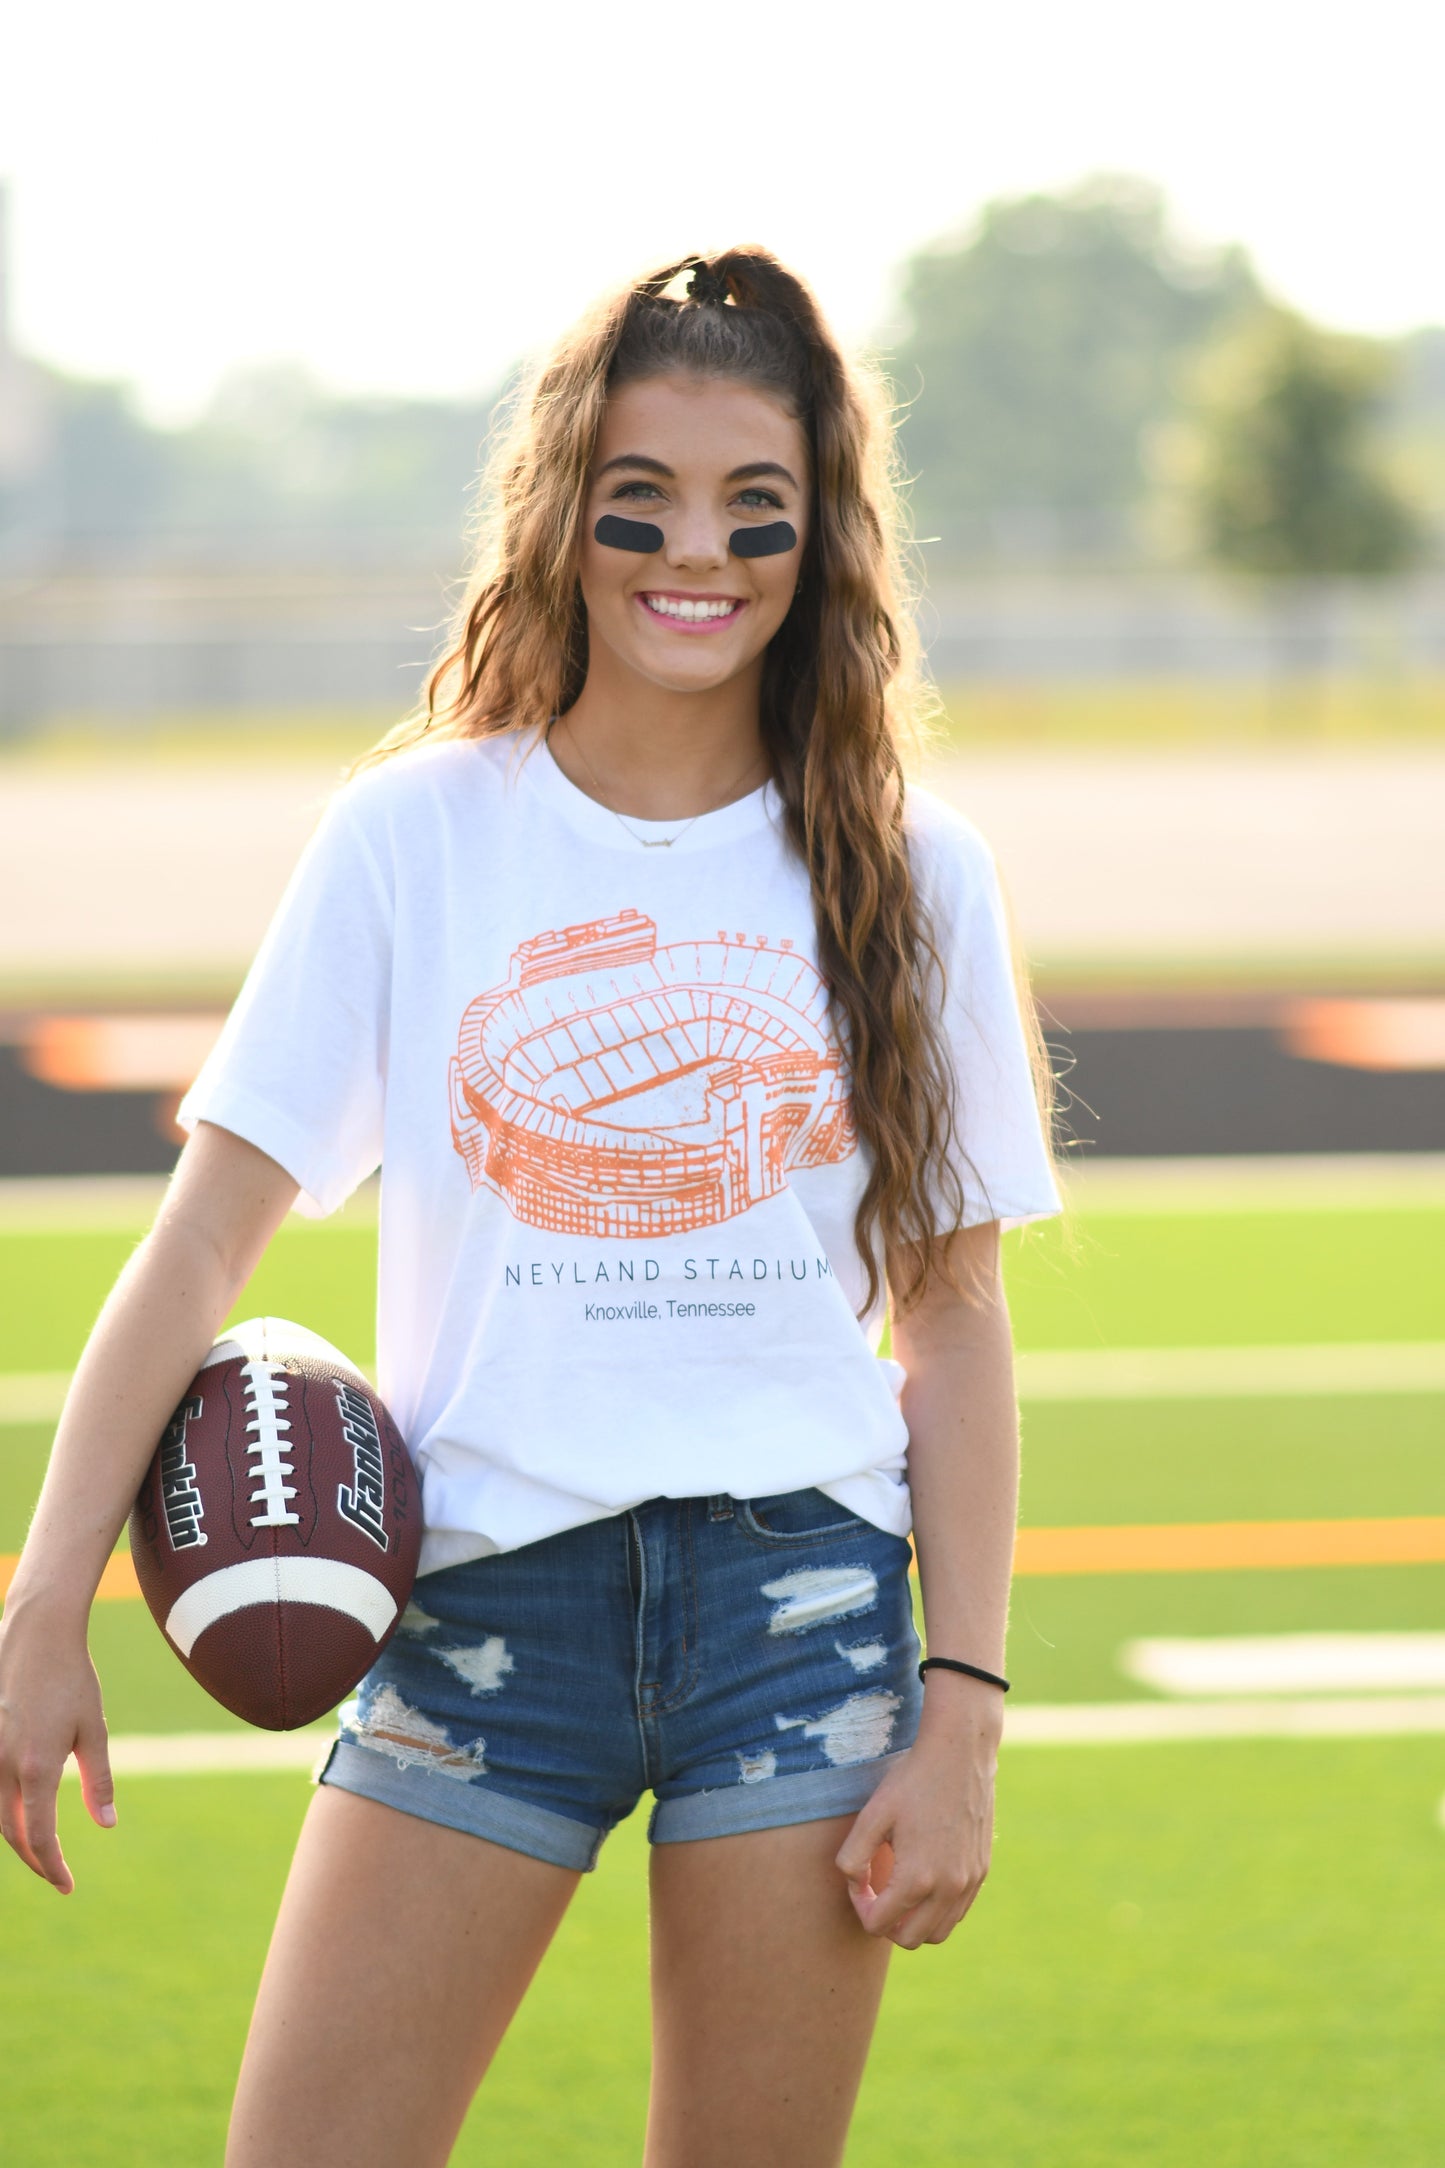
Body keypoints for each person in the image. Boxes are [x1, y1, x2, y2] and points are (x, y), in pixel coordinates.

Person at [0, 249, 1060, 2168]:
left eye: (760, 512)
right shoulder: (418, 834)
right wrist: (41, 1598)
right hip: (483, 1593)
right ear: (563, 512)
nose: (698, 556)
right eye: (642, 500)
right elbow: (200, 1246)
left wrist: (962, 1703)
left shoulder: (914, 869)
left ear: (822, 543)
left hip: (798, 1604)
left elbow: (956, 1316)